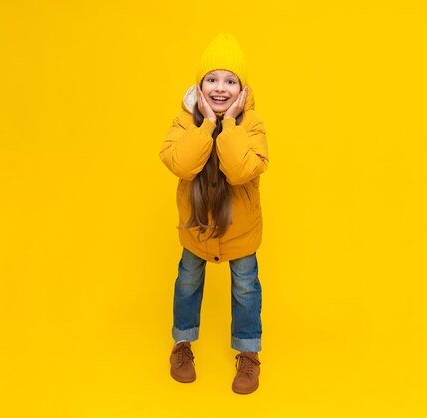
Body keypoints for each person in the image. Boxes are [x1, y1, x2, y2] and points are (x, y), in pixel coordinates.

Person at [159, 33, 269, 394]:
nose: (220, 88)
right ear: (200, 85)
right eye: (212, 79)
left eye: (230, 80)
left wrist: (231, 124)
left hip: (240, 231)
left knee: (246, 290)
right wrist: (206, 123)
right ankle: (182, 346)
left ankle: (249, 354)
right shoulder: (183, 122)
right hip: (198, 228)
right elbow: (183, 165)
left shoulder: (252, 125)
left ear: (242, 88)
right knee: (188, 283)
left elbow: (240, 170)